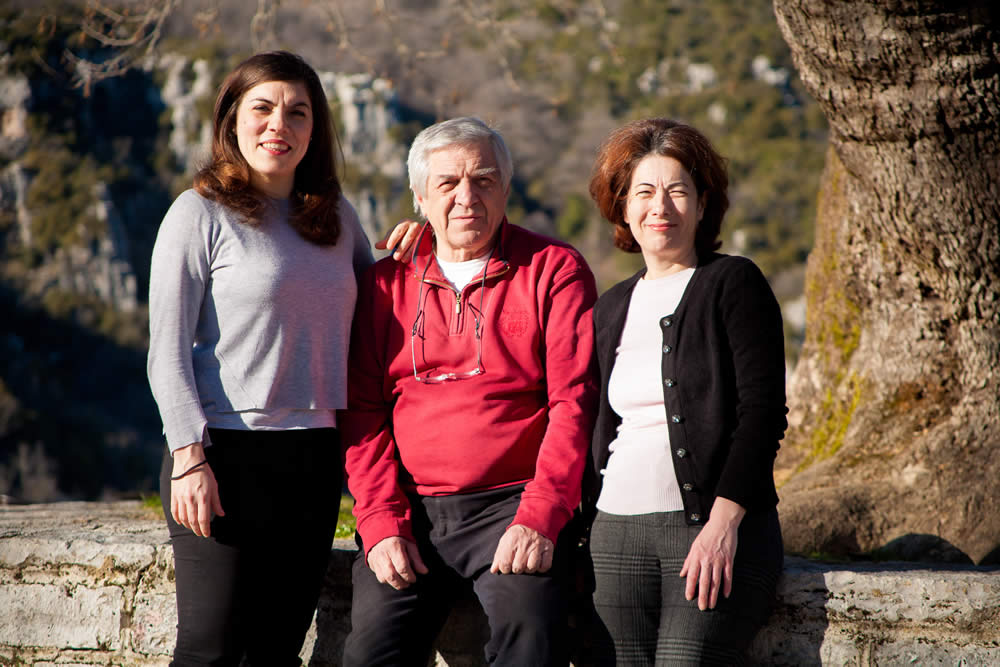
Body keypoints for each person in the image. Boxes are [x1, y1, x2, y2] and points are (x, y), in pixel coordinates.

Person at [147, 51, 417, 666]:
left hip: (313, 457)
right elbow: (166, 352)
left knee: (276, 650)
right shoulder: (199, 213)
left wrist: (421, 247)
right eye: (263, 108)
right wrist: (189, 459)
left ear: (314, 130)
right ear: (232, 121)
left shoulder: (335, 217)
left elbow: (380, 307)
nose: (279, 124)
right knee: (209, 650)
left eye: (298, 112)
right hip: (221, 452)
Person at [340, 116, 599, 666]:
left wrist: (540, 516)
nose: (467, 197)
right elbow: (362, 413)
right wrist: (381, 524)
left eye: (483, 180)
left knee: (531, 638)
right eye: (448, 183)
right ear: (420, 198)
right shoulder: (383, 286)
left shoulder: (553, 270)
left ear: (505, 189)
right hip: (411, 509)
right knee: (370, 653)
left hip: (513, 502)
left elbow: (573, 405)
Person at [582, 118, 787, 666]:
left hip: (709, 530)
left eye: (677, 191)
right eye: (644, 192)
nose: (661, 207)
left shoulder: (734, 284)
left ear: (702, 205)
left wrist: (723, 525)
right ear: (623, 207)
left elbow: (762, 414)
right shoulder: (610, 307)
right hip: (614, 534)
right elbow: (595, 426)